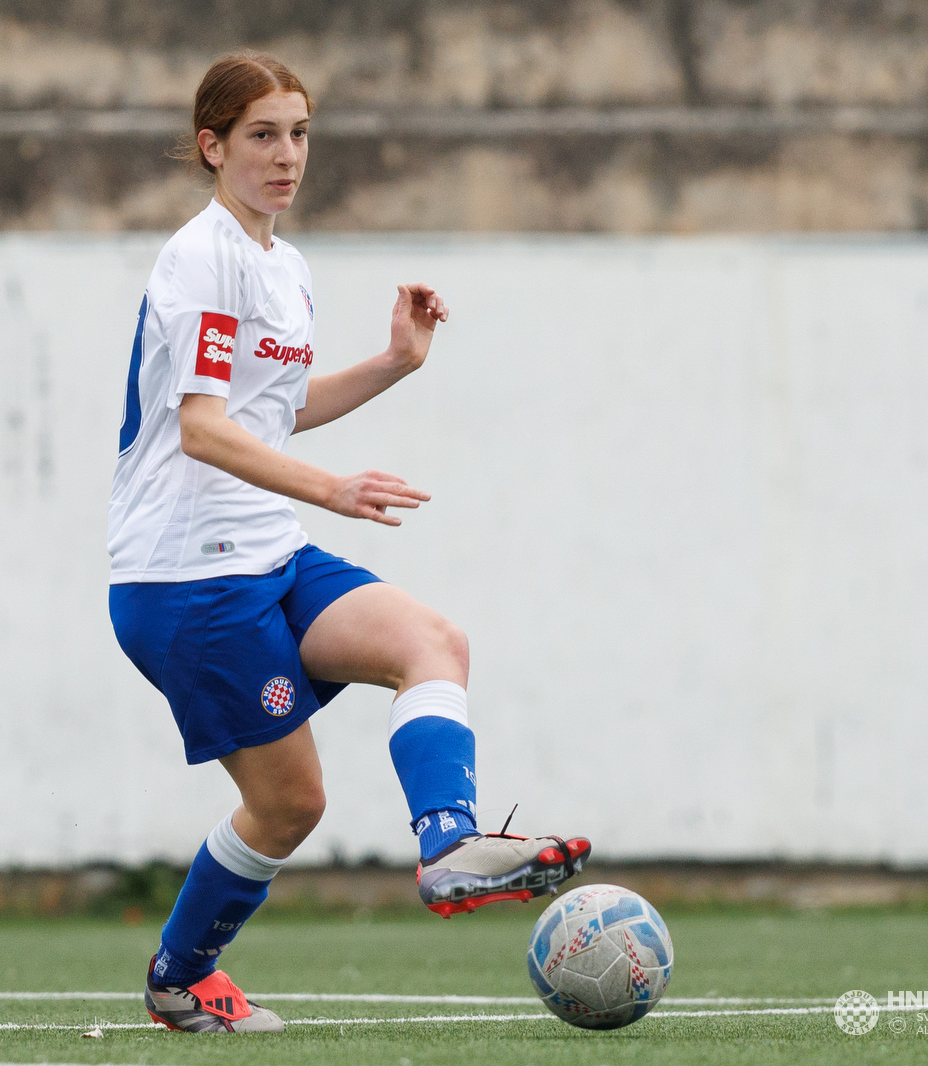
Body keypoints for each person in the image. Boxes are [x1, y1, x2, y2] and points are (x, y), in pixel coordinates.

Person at [108, 52, 591, 1034]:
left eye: (298, 134)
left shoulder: (285, 268)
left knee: (434, 643)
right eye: (261, 136)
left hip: (270, 553)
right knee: (291, 806)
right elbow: (203, 426)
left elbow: (271, 414)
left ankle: (449, 846)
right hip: (184, 578)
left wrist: (394, 363)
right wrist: (332, 489)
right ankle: (179, 975)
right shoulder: (203, 257)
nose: (287, 156)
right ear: (212, 147)